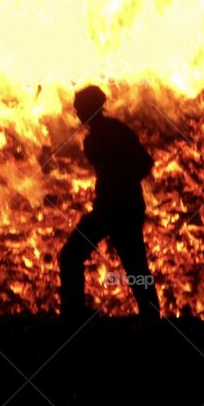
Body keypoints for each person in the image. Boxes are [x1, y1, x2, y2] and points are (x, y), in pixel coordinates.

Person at [59, 85, 160, 322]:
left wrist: (121, 186)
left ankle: (73, 321)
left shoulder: (110, 134)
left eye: (80, 109)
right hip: (112, 208)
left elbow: (144, 163)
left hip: (118, 210)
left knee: (74, 256)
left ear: (91, 108)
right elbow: (141, 164)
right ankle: (151, 321)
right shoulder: (100, 136)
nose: (77, 114)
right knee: (135, 268)